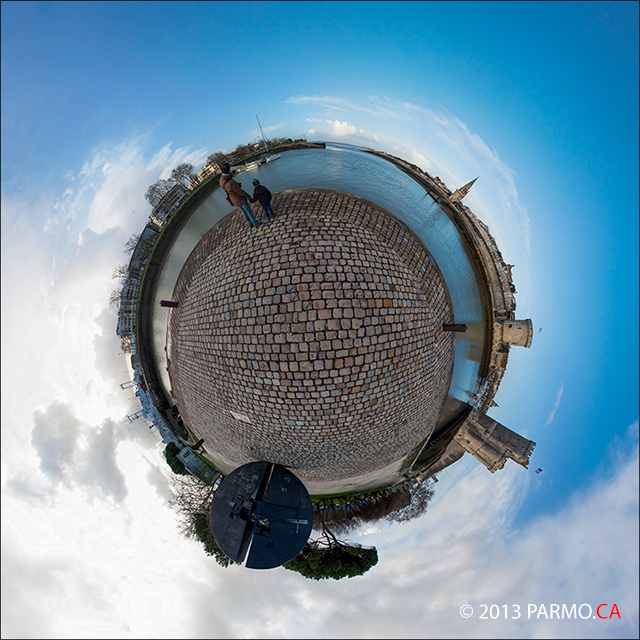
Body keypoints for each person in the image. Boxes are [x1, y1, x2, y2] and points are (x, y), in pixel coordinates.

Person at [219, 163, 262, 228]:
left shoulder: (221, 180)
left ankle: (249, 223)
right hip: (240, 199)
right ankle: (255, 223)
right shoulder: (231, 183)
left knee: (243, 211)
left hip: (233, 199)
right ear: (229, 170)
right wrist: (248, 196)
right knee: (248, 211)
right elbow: (241, 192)